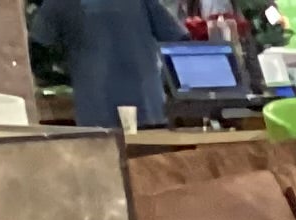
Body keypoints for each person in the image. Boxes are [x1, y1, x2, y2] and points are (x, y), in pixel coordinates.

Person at [30, 0, 184, 129]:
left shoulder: (58, 3)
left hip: (96, 113)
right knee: (152, 163)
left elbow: (36, 52)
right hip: (149, 107)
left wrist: (65, 77)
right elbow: (180, 41)